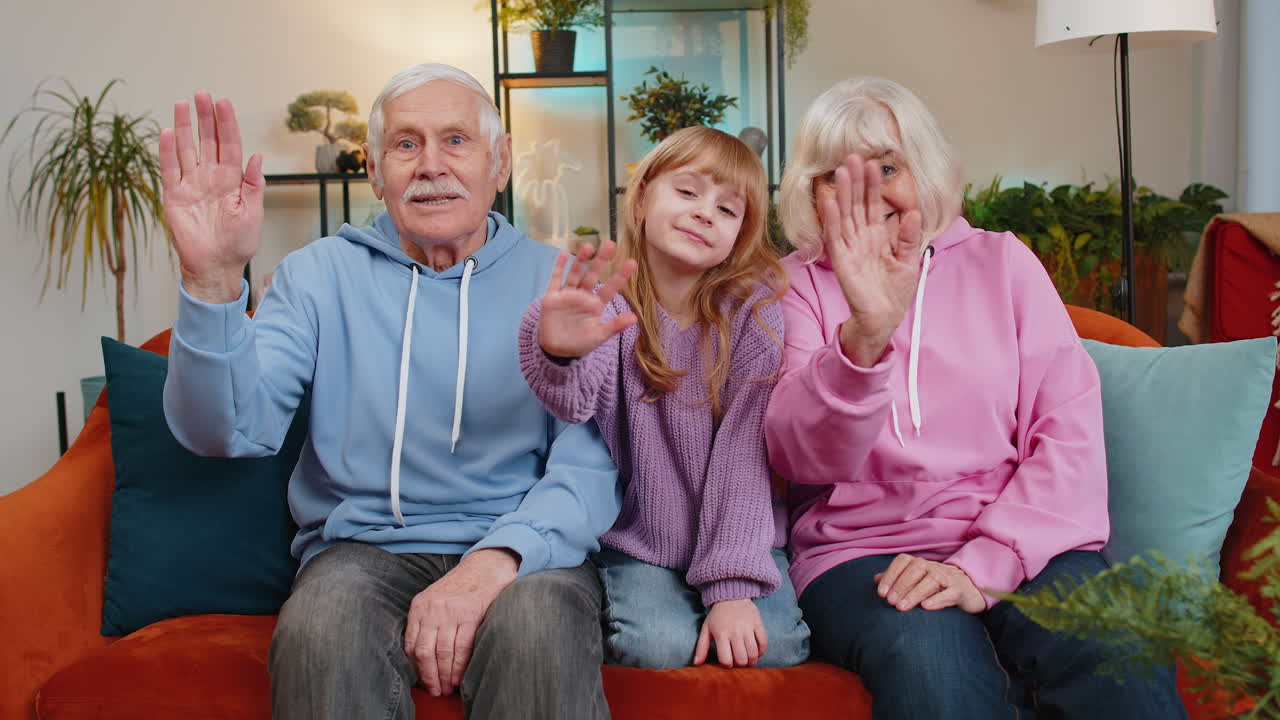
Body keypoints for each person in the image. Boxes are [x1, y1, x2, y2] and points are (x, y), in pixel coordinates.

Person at [158, 63, 622, 720]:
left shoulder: (564, 283)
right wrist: (210, 281)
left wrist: (493, 562)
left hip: (523, 551)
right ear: (374, 171)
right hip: (359, 552)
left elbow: (592, 463)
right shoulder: (315, 277)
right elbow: (226, 429)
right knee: (319, 630)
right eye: (406, 144)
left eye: (456, 140)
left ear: (501, 160)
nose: (430, 164)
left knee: (540, 632)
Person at [765, 77, 1187, 719]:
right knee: (933, 665)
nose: (869, 192)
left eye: (888, 166)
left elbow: (1067, 435)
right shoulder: (792, 288)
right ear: (811, 193)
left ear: (926, 168)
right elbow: (800, 458)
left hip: (1020, 537)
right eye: (837, 178)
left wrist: (982, 565)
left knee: (1116, 644)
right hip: (859, 552)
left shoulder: (1004, 264)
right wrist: (866, 334)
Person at [518, 126, 810, 670]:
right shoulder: (607, 308)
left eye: (728, 210)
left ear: (740, 235)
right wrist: (557, 349)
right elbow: (573, 401)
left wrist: (731, 585)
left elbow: (745, 453)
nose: (705, 213)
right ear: (644, 194)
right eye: (688, 191)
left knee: (777, 648)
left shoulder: (753, 314)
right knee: (656, 646)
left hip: (742, 532)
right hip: (639, 540)